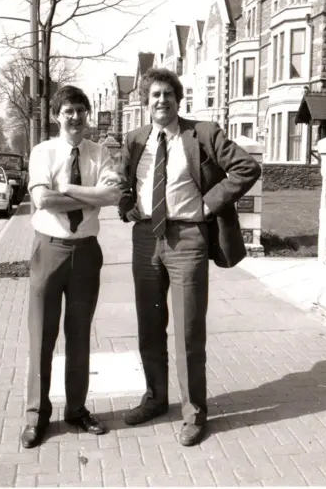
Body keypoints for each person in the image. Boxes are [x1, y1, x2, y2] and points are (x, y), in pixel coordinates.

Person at [118, 68, 261, 446]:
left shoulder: (203, 133)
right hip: (145, 238)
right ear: (146, 103)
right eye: (154, 95)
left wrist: (208, 204)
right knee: (149, 325)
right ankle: (155, 398)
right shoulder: (134, 139)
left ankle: (194, 412)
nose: (161, 100)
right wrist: (127, 205)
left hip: (188, 239)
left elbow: (247, 167)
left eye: (168, 94)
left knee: (188, 331)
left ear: (178, 100)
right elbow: (121, 183)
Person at [22, 85, 123, 449]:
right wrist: (87, 194)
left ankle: (77, 410)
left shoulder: (101, 154)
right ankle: (37, 416)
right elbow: (42, 199)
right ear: (56, 116)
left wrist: (66, 188)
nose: (76, 117)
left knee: (79, 337)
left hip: (86, 253)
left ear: (88, 114)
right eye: (68, 111)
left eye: (81, 110)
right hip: (50, 251)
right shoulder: (43, 151)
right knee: (42, 337)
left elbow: (112, 196)